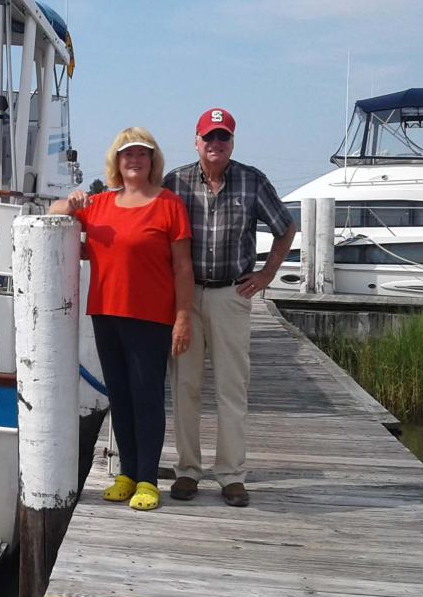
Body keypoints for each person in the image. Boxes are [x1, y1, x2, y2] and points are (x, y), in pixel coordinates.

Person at [49, 127, 194, 512]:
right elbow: (52, 214)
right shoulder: (99, 204)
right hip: (106, 314)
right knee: (120, 397)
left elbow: (182, 267)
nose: (134, 160)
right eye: (127, 154)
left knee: (147, 398)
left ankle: (148, 478)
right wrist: (72, 201)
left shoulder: (169, 205)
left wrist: (183, 318)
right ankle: (127, 473)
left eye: (142, 154)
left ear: (152, 161)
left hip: (151, 318)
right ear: (117, 161)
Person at [163, 108, 296, 508]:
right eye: (209, 137)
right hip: (185, 297)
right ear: (196, 141)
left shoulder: (252, 181)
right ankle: (188, 471)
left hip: (231, 296)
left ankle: (231, 475)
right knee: (185, 386)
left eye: (223, 138)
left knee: (231, 388)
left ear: (232, 142)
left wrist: (267, 275)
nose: (215, 144)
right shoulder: (175, 182)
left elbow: (285, 228)